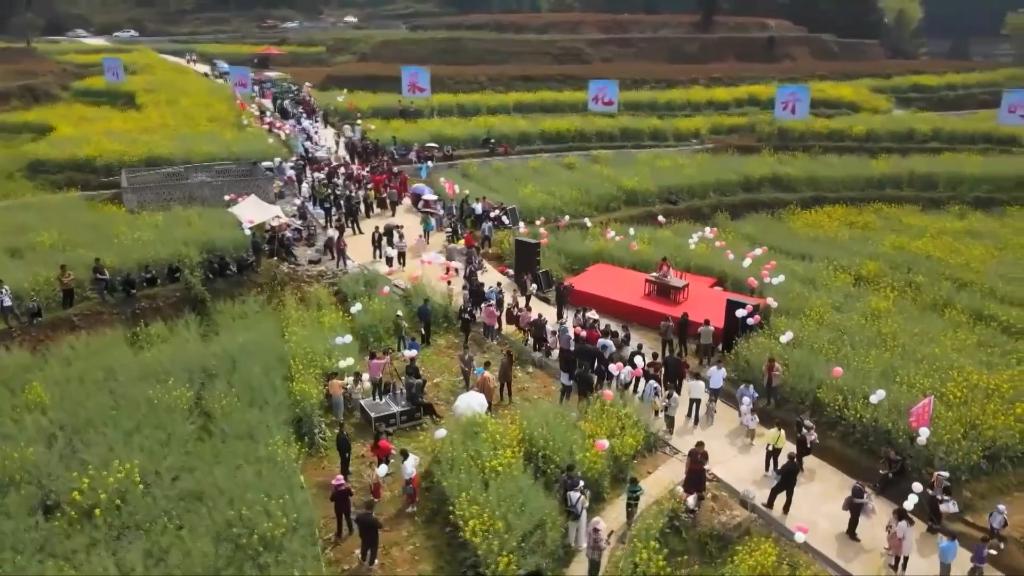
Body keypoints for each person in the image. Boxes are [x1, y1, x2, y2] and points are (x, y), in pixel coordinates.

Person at [355, 500, 383, 568]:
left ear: (365, 507)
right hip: (373, 538)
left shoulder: (359, 516)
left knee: (364, 547)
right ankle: (371, 563)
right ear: (373, 508)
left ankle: (363, 559)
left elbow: (356, 521)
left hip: (363, 535)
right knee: (373, 550)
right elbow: (380, 526)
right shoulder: (373, 519)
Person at [890, 507, 915, 575]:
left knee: (898, 555)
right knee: (906, 555)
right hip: (909, 542)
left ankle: (895, 567)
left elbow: (899, 536)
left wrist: (895, 530)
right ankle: (904, 568)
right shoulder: (910, 521)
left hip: (902, 544)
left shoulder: (901, 524)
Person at [566, 479, 589, 551]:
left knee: (572, 528)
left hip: (571, 512)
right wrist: (587, 497)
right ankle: (580, 545)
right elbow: (586, 505)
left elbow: (569, 502)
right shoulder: (582, 497)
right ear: (579, 487)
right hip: (581, 515)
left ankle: (571, 543)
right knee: (581, 529)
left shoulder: (568, 494)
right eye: (581, 486)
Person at [330, 474, 354, 541]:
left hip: (338, 508)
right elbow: (351, 494)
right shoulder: (347, 489)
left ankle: (339, 533)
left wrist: (333, 491)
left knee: (339, 521)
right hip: (347, 507)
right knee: (348, 518)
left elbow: (331, 499)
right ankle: (351, 530)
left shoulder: (335, 492)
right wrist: (350, 488)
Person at [400, 448, 421, 513]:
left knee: (410, 493)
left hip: (409, 479)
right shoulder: (410, 455)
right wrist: (414, 466)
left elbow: (408, 472)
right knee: (414, 490)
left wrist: (409, 477)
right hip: (414, 476)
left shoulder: (405, 463)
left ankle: (413, 507)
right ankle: (415, 499)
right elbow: (417, 458)